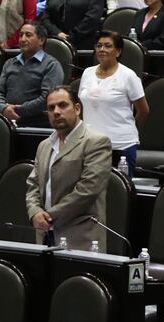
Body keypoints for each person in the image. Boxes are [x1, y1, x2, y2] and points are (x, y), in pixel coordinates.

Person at [26, 86, 113, 251]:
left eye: (62, 105)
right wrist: (35, 211)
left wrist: (49, 216)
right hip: (44, 235)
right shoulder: (44, 146)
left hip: (81, 238)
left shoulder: (96, 142)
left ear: (77, 108)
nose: (56, 111)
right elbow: (33, 185)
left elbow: (87, 190)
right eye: (51, 108)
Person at [79, 30, 149, 172]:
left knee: (118, 191)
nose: (102, 50)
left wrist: (128, 128)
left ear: (118, 52)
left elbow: (143, 110)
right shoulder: (87, 73)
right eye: (99, 46)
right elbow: (82, 106)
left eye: (107, 46)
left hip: (121, 145)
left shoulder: (128, 75)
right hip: (90, 145)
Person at [0, 23, 64, 127]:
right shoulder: (10, 63)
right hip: (6, 120)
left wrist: (17, 110)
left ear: (41, 40)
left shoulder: (51, 65)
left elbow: (46, 98)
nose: (22, 39)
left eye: (28, 35)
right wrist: (3, 108)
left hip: (37, 123)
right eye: (21, 35)